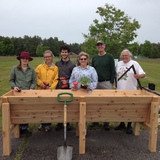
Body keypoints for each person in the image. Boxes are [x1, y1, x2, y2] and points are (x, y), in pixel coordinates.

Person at [115, 49, 146, 134]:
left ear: (130, 56)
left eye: (126, 55)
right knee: (121, 107)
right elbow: (116, 75)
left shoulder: (134, 63)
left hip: (131, 90)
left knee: (130, 108)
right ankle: (122, 123)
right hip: (120, 90)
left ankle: (129, 125)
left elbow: (143, 74)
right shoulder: (118, 64)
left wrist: (140, 75)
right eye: (123, 55)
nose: (124, 57)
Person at [9, 52, 36, 137]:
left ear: (28, 60)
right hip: (18, 93)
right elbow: (11, 80)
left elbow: (34, 81)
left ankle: (24, 128)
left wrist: (31, 88)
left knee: (26, 110)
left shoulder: (31, 70)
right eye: (23, 58)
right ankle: (19, 128)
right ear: (20, 59)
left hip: (28, 93)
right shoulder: (14, 69)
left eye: (26, 59)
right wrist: (14, 87)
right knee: (18, 111)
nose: (25, 60)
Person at [91, 40, 116, 131]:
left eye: (101, 45)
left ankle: (106, 122)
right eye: (98, 45)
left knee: (107, 102)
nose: (100, 46)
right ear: (97, 47)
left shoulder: (109, 56)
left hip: (106, 82)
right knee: (95, 102)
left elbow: (113, 70)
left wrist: (112, 82)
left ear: (104, 46)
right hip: (96, 82)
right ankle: (95, 120)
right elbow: (92, 70)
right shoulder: (94, 57)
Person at [35, 50, 58, 132]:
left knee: (49, 107)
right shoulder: (39, 67)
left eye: (49, 56)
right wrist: (41, 84)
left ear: (52, 57)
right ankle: (41, 123)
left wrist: (51, 87)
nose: (47, 58)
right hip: (40, 90)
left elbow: (56, 79)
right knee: (41, 107)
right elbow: (35, 77)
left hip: (50, 91)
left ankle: (48, 125)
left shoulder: (55, 68)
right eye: (46, 57)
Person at [55, 45, 76, 131]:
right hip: (59, 87)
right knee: (59, 105)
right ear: (61, 53)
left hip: (68, 87)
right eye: (63, 52)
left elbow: (74, 77)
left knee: (67, 105)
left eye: (66, 52)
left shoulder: (72, 64)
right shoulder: (57, 63)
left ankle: (67, 123)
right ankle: (59, 123)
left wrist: (67, 81)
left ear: (68, 53)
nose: (64, 53)